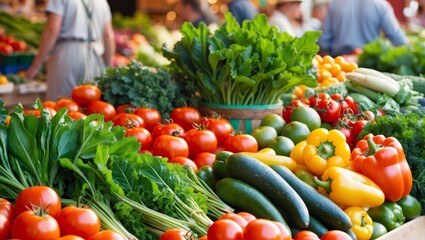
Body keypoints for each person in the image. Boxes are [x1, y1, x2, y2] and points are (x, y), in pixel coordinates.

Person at [26, 0, 115, 101]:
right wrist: (108, 68)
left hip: (67, 53)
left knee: (60, 106)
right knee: (89, 105)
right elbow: (108, 36)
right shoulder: (101, 2)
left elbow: (52, 30)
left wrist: (36, 65)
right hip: (94, 53)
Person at [318, 0, 407, 57]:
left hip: (339, 64)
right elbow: (399, 40)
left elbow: (323, 40)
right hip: (370, 65)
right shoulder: (381, 5)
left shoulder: (335, 3)